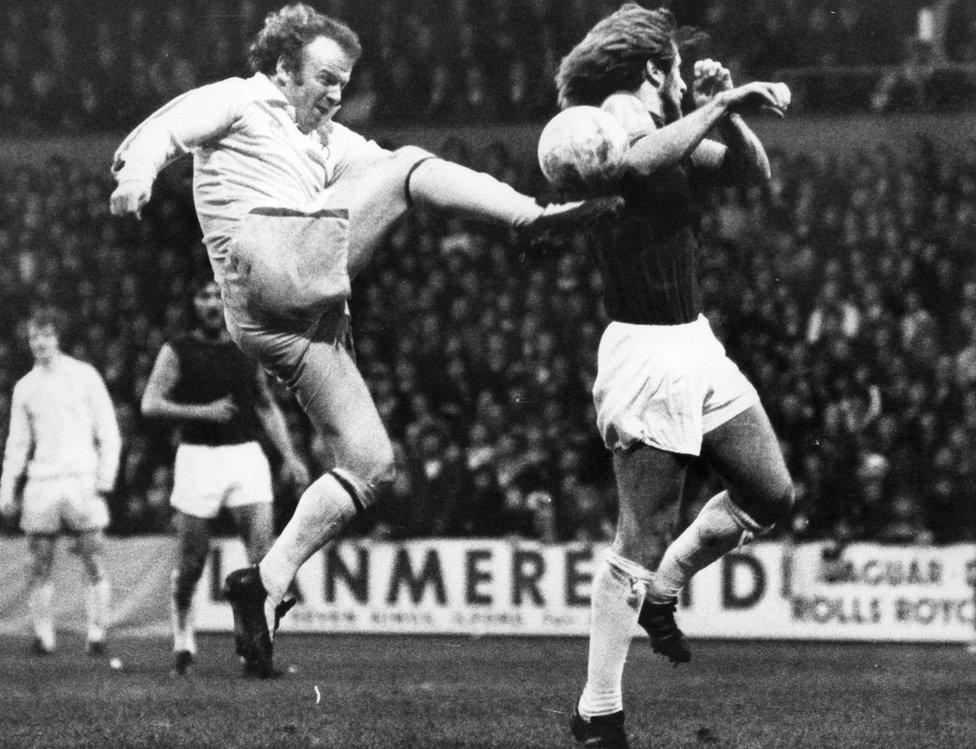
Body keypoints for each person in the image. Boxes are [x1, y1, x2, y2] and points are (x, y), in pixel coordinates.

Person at [109, 3, 621, 677]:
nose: (336, 92)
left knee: (372, 461)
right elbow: (164, 130)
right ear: (284, 67)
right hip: (267, 260)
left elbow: (417, 180)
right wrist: (136, 175)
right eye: (325, 77)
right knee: (406, 162)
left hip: (290, 320)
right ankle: (532, 219)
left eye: (344, 82)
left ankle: (264, 582)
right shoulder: (241, 100)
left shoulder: (328, 139)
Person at [553, 6, 796, 747]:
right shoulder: (606, 121)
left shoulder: (672, 121)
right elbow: (627, 166)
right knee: (643, 528)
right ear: (653, 66)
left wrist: (718, 111)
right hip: (646, 349)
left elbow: (756, 177)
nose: (687, 75)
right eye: (679, 67)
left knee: (769, 490)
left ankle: (666, 586)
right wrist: (716, 103)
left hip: (695, 340)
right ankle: (598, 709)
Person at [141, 279, 310, 676]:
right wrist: (204, 411)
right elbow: (150, 403)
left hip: (245, 455)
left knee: (262, 557)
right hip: (198, 458)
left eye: (218, 295)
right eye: (204, 296)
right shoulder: (178, 349)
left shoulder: (245, 347)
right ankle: (183, 637)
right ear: (195, 304)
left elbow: (266, 406)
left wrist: (290, 456)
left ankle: (256, 649)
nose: (213, 303)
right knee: (194, 561)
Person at [0, 308, 121, 656]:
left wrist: (105, 476)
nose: (40, 342)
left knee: (93, 557)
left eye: (47, 335)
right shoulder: (25, 388)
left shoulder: (85, 375)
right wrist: (8, 487)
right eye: (34, 336)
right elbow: (18, 444)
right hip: (43, 482)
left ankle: (97, 634)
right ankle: (44, 636)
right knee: (38, 562)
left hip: (82, 479)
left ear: (58, 337)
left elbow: (108, 429)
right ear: (28, 342)